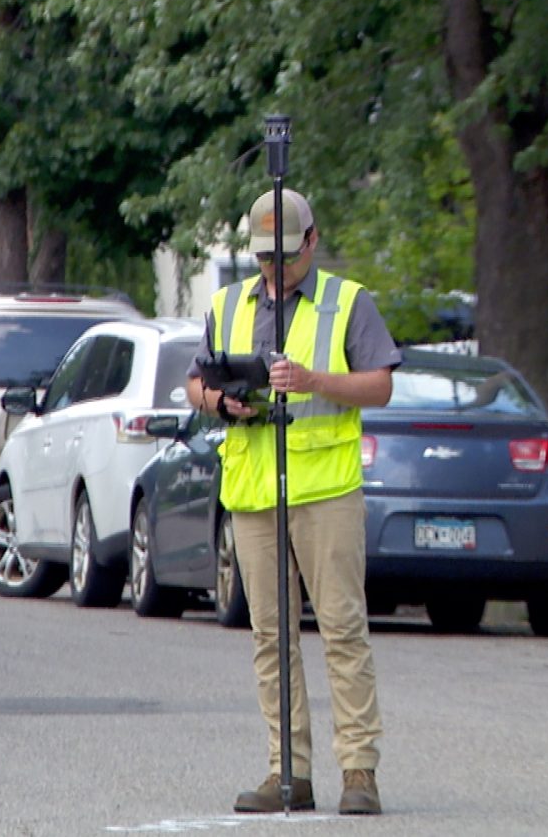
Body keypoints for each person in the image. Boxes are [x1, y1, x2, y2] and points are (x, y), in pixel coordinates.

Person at [185, 189, 400, 816]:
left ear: (311, 241)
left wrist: (313, 381)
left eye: (284, 255)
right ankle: (288, 773)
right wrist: (215, 401)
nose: (273, 268)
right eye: (263, 257)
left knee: (341, 629)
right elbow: (196, 379)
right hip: (253, 488)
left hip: (325, 489)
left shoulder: (347, 302)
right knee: (270, 636)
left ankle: (359, 772)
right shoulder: (228, 303)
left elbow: (381, 385)